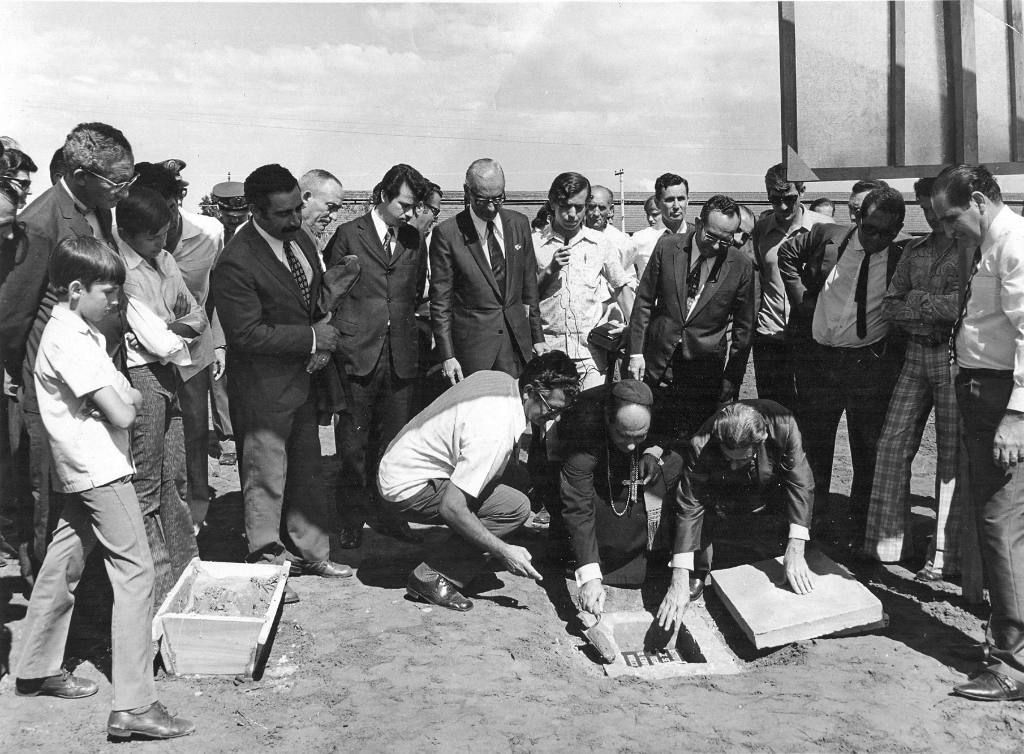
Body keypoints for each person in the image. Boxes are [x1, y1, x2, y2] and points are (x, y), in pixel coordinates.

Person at [14, 236, 194, 740]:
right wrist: (127, 398)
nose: (117, 301)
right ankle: (135, 704)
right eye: (109, 292)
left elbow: (118, 394)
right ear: (75, 288)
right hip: (101, 469)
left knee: (65, 557)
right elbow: (122, 408)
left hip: (81, 465)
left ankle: (35, 664)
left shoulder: (78, 328)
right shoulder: (70, 338)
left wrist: (122, 394)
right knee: (135, 574)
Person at [0, 122, 134, 584]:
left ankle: (79, 592)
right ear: (79, 173)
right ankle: (46, 595)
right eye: (117, 182)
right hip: (53, 384)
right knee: (49, 493)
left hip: (93, 371)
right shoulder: (41, 223)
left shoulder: (99, 207)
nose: (123, 191)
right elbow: (13, 316)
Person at [211, 164, 352, 604]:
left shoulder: (301, 240)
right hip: (261, 386)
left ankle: (312, 552)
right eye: (283, 214)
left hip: (303, 380)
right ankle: (265, 564)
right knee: (264, 475)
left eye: (297, 209)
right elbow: (245, 334)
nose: (294, 220)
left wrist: (325, 321)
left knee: (308, 469)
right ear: (255, 211)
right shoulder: (235, 261)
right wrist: (311, 338)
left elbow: (305, 301)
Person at [377, 350, 581, 612]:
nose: (555, 418)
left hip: (402, 461)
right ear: (529, 391)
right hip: (406, 487)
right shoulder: (495, 429)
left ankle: (474, 536)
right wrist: (504, 551)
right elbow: (451, 507)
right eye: (552, 409)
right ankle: (431, 576)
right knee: (515, 508)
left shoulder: (502, 381)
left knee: (519, 479)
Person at [932, 165, 1024, 701]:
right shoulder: (994, 242)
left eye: (951, 217)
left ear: (981, 200)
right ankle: (1006, 642)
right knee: (1000, 523)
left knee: (1000, 523)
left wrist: (1016, 414)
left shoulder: (1013, 243)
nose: (947, 229)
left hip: (999, 400)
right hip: (982, 393)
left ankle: (1013, 664)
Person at [777, 186, 907, 543]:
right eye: (870, 229)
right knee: (815, 445)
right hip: (820, 363)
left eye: (886, 233)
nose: (876, 238)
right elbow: (785, 255)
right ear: (858, 218)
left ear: (897, 230)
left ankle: (858, 528)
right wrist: (801, 300)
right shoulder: (827, 237)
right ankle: (809, 525)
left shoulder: (903, 255)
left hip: (868, 367)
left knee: (866, 449)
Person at [323, 164, 429, 550]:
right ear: (384, 195)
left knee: (395, 444)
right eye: (403, 204)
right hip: (357, 354)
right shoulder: (349, 235)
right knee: (353, 445)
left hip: (400, 355)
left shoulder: (415, 240)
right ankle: (350, 519)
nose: (409, 213)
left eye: (415, 206)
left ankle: (388, 515)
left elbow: (414, 293)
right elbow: (331, 293)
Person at [863, 177, 963, 579]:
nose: (931, 214)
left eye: (935, 206)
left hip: (954, 358)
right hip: (916, 354)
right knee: (891, 445)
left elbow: (963, 307)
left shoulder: (971, 250)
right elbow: (890, 306)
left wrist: (918, 302)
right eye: (923, 206)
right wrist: (931, 307)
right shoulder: (915, 251)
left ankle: (943, 556)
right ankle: (886, 546)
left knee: (949, 456)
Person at [116, 186, 206, 605]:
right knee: (148, 486)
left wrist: (173, 329)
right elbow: (159, 341)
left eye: (166, 234)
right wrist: (175, 330)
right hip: (143, 378)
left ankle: (188, 571)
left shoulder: (165, 260)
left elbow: (198, 315)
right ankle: (160, 590)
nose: (162, 243)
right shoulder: (123, 271)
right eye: (153, 236)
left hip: (169, 376)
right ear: (127, 232)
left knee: (177, 480)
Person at [134, 164, 225, 534]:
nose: (165, 220)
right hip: (144, 357)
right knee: (153, 442)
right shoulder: (122, 238)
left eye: (170, 207)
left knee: (194, 433)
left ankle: (195, 521)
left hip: (193, 351)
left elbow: (212, 295)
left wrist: (217, 341)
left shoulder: (210, 233)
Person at [558, 380, 689, 628]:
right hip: (594, 467)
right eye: (623, 435)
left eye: (639, 436)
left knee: (674, 465)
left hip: (642, 459)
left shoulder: (662, 407)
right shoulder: (581, 425)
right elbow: (577, 507)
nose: (631, 445)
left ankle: (652, 553)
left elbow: (673, 434)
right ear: (609, 419)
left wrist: (652, 450)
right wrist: (589, 577)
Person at [628, 194, 756, 441]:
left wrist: (732, 376)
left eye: (726, 240)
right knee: (652, 436)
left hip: (704, 371)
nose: (717, 246)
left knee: (694, 442)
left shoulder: (741, 265)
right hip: (658, 364)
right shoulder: (667, 247)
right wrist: (636, 353)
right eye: (711, 236)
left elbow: (744, 327)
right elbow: (643, 301)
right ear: (698, 223)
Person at [675, 400, 816, 611]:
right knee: (706, 506)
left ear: (762, 441)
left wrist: (796, 546)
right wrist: (679, 574)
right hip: (717, 486)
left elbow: (800, 482)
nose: (733, 465)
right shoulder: (701, 443)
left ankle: (777, 543)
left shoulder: (783, 426)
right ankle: (699, 566)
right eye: (728, 457)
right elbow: (690, 505)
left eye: (740, 460)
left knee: (781, 524)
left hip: (764, 479)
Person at [430, 159, 545, 385]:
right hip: (474, 352)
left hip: (517, 344)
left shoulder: (519, 223)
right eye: (483, 200)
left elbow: (529, 286)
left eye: (498, 198)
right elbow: (441, 302)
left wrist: (537, 336)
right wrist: (447, 355)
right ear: (467, 192)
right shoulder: (447, 234)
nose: (492, 207)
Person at [535, 172, 634, 389]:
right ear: (552, 203)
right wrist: (550, 270)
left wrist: (632, 329)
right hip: (549, 354)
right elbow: (525, 299)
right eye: (565, 206)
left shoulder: (600, 243)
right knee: (552, 420)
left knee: (589, 419)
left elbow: (621, 288)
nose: (572, 214)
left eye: (579, 207)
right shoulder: (534, 244)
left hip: (590, 355)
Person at [749, 164, 831, 410]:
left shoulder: (824, 227)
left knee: (813, 413)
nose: (782, 207)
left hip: (812, 336)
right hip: (771, 336)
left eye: (789, 198)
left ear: (802, 191)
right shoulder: (761, 231)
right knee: (773, 414)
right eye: (775, 200)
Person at [631, 175, 689, 281]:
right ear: (658, 204)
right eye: (670, 200)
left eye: (681, 199)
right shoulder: (640, 238)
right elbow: (619, 271)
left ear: (687, 201)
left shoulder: (696, 236)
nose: (676, 206)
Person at [299, 169, 345, 263]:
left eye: (337, 209)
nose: (334, 217)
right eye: (330, 206)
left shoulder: (313, 243)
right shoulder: (284, 243)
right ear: (306, 198)